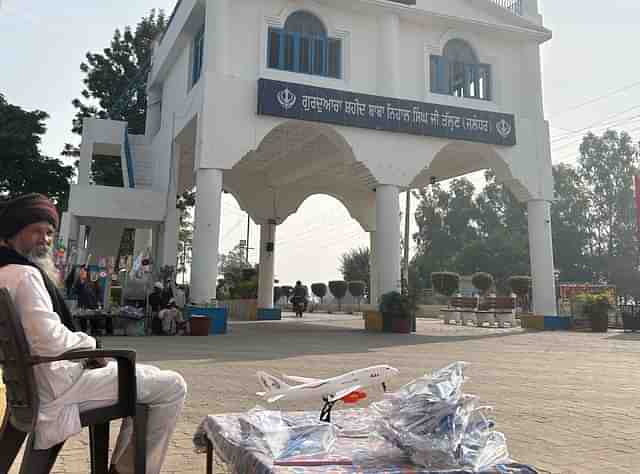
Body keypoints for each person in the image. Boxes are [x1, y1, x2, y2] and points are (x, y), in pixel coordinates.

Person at [0, 193, 187, 474]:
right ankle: (129, 470)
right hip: (59, 386)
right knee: (172, 385)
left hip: (34, 384)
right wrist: (90, 345)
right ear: (14, 231)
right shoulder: (24, 275)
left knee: (148, 377)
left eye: (49, 233)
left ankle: (124, 466)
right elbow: (49, 341)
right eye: (36, 231)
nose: (45, 240)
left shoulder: (6, 271)